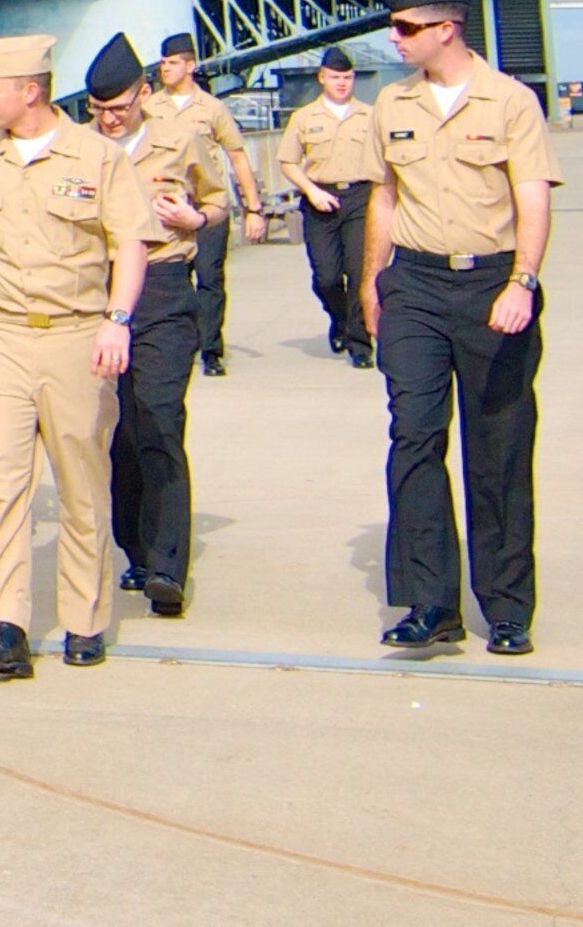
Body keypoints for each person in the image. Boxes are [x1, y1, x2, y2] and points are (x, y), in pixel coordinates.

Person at [0, 34, 152, 678]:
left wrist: (117, 320)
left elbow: (130, 243)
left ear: (31, 90)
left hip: (77, 335)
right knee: (0, 479)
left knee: (81, 481)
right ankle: (5, 626)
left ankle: (84, 619)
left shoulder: (97, 156)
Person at [364, 0, 561, 657]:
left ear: (446, 29)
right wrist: (371, 285)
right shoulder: (392, 106)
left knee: (497, 448)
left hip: (491, 288)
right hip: (414, 286)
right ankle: (431, 602)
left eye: (406, 27)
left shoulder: (509, 103)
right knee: (413, 436)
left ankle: (507, 606)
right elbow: (384, 197)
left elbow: (533, 197)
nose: (395, 38)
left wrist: (523, 281)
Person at [91, 34, 230, 619]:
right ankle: (138, 551)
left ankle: (170, 564)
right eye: (99, 110)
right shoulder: (81, 151)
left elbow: (219, 201)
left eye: (120, 107)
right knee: (118, 430)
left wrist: (195, 218)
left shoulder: (181, 139)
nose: (110, 119)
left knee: (159, 419)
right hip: (97, 298)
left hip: (165, 289)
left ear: (143, 94)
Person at [151, 33, 258, 373]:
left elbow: (237, 156)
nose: (165, 68)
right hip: (166, 207)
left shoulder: (212, 109)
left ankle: (211, 350)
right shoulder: (150, 108)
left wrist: (253, 207)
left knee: (210, 280)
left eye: (172, 62)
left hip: (206, 206)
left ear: (190, 66)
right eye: (163, 62)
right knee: (174, 278)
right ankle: (181, 343)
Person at [280, 46, 386, 366]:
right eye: (336, 77)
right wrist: (311, 191)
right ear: (322, 78)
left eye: (348, 77)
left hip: (360, 197)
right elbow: (287, 161)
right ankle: (339, 318)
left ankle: (360, 342)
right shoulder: (304, 117)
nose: (342, 83)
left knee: (358, 272)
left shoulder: (369, 115)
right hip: (320, 198)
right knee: (326, 276)